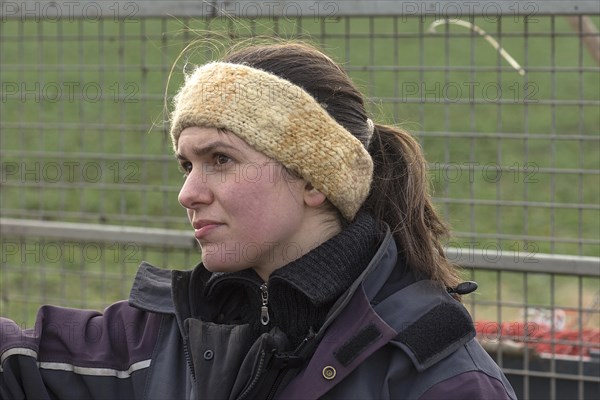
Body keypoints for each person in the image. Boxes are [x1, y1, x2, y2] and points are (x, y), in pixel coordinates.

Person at [0, 42, 516, 399]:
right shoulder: (162, 338)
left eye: (220, 160)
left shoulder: (434, 379)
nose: (188, 193)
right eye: (187, 164)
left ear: (315, 179)